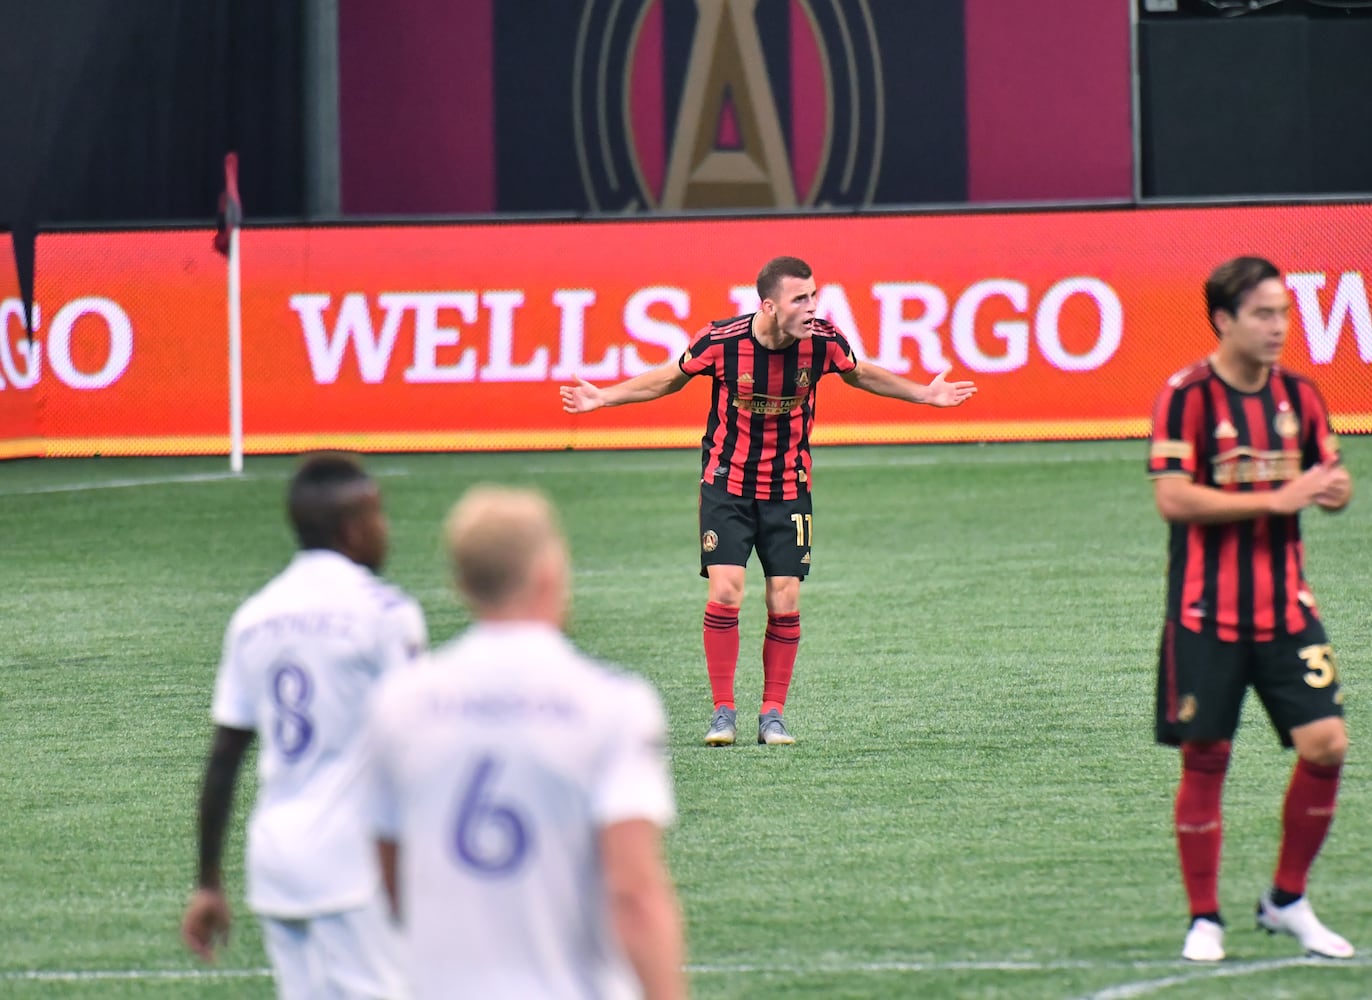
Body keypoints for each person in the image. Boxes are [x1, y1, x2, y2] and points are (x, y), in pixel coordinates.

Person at [561, 255, 976, 746]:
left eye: (814, 296)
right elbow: (668, 378)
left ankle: (772, 715)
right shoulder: (720, 342)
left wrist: (924, 396)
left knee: (785, 597)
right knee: (727, 591)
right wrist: (605, 397)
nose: (812, 307)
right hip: (727, 482)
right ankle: (722, 713)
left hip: (788, 486)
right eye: (801, 299)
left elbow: (862, 374)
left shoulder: (823, 343)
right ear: (769, 306)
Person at [365, 486, 687, 1000]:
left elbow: (387, 866)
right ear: (549, 574)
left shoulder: (398, 703)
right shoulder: (612, 704)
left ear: (461, 584)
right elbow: (634, 894)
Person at [1146, 256, 1355, 963]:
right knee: (1207, 759)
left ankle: (1287, 900)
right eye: (1264, 314)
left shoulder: (1302, 395)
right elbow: (1172, 498)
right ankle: (1204, 917)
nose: (1278, 327)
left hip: (1288, 608)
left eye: (1284, 313)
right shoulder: (1186, 395)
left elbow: (1333, 476)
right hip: (1205, 612)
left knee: (1326, 744)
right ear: (1224, 321)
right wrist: (1275, 499)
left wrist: (1333, 490)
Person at [181, 454, 427, 998]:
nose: (386, 529)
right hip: (357, 866)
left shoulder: (255, 616)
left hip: (278, 865)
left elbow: (224, 757)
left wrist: (208, 883)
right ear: (352, 528)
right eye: (378, 515)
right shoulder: (386, 613)